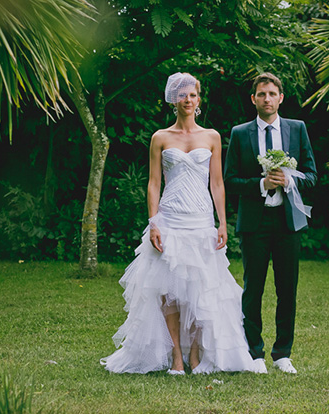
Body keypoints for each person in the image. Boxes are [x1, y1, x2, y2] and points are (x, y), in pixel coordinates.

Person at [101, 73, 258, 375]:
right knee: (168, 290)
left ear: (199, 100)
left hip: (200, 220)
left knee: (200, 288)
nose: (188, 100)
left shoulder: (211, 136)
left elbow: (217, 183)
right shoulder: (160, 137)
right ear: (173, 99)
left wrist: (222, 223)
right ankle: (176, 355)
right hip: (170, 219)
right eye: (182, 95)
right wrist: (154, 223)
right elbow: (153, 183)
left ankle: (196, 354)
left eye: (193, 95)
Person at [224, 72, 317, 374]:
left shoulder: (297, 129)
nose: (267, 99)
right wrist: (262, 184)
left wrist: (288, 181)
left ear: (281, 98)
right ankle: (254, 354)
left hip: (288, 222)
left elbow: (313, 176)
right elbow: (229, 181)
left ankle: (282, 354)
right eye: (261, 94)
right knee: (253, 289)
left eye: (272, 94)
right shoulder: (240, 133)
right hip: (255, 222)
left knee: (287, 288)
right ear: (253, 99)